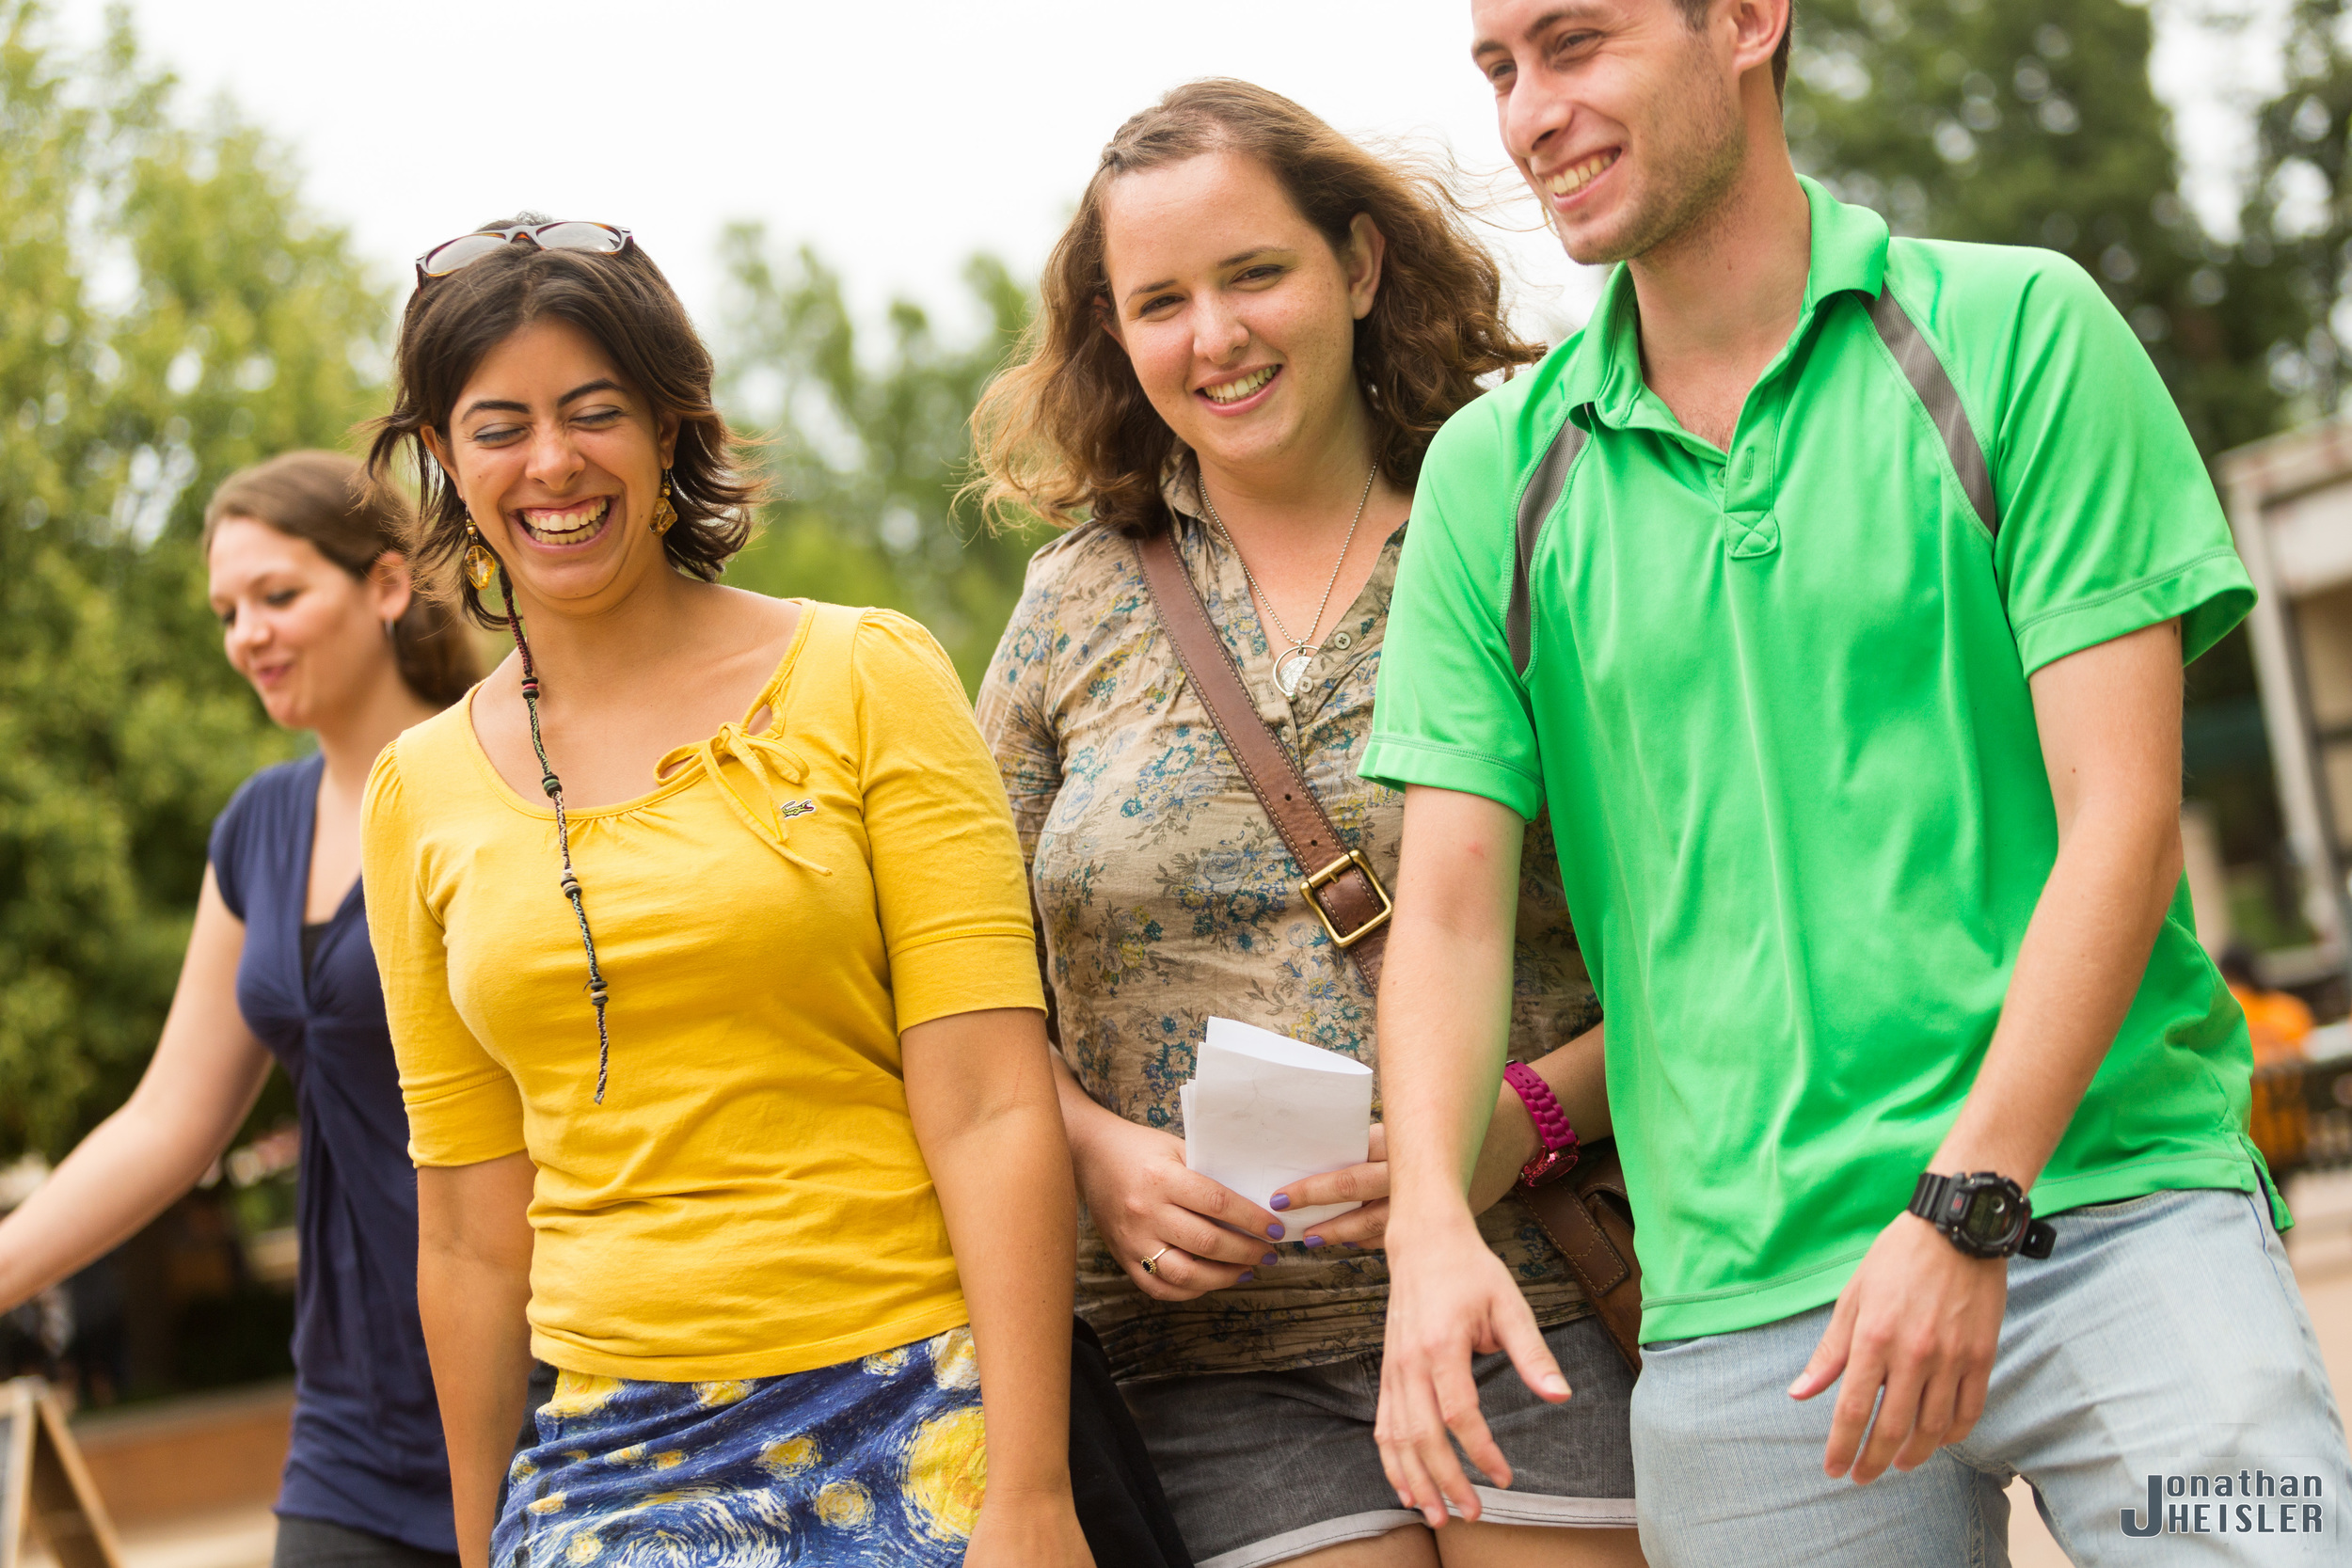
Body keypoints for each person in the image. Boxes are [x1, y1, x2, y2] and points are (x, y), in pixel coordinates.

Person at [1365, 2, 2352, 1562]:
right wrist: (1429, 1222)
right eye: (1499, 69)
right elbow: (1449, 912)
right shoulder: (1494, 478)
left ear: (1748, 21)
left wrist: (1971, 1199)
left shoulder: (2023, 332)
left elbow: (2125, 819)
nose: (1529, 115)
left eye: (1575, 45)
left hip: (2111, 1208)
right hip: (1751, 1312)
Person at [971, 80, 1645, 1568]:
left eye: (1253, 273)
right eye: (1159, 301)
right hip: (1207, 1366)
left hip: (1534, 1289)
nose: (1212, 336)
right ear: (1114, 334)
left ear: (1357, 265)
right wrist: (1087, 1150)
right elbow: (961, 984)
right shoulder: (1067, 604)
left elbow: (1703, 923)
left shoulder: (1532, 524)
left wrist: (1517, 1122)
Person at [358, 215, 1095, 1568]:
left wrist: (1033, 1488)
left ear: (670, 429)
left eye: (596, 412)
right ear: (446, 460)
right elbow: (468, 1232)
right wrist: (479, 1546)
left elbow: (993, 1100)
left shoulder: (870, 673)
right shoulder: (415, 792)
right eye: (499, 424)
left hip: (918, 1403)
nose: (554, 462)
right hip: (606, 1460)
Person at [0, 451, 479, 1566]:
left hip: (550, 1384)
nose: (246, 634)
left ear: (387, 584)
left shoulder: (500, 781)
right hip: (353, 1419)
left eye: (278, 594)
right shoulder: (258, 829)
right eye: (227, 609)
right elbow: (169, 1120)